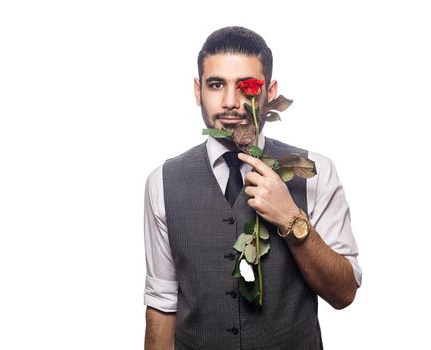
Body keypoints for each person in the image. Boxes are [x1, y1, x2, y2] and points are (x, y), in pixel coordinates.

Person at [143, 26, 362, 350]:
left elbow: (344, 293)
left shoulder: (316, 172)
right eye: (216, 85)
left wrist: (290, 219)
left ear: (270, 92)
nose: (231, 103)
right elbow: (161, 305)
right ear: (197, 90)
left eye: (246, 86)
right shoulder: (163, 181)